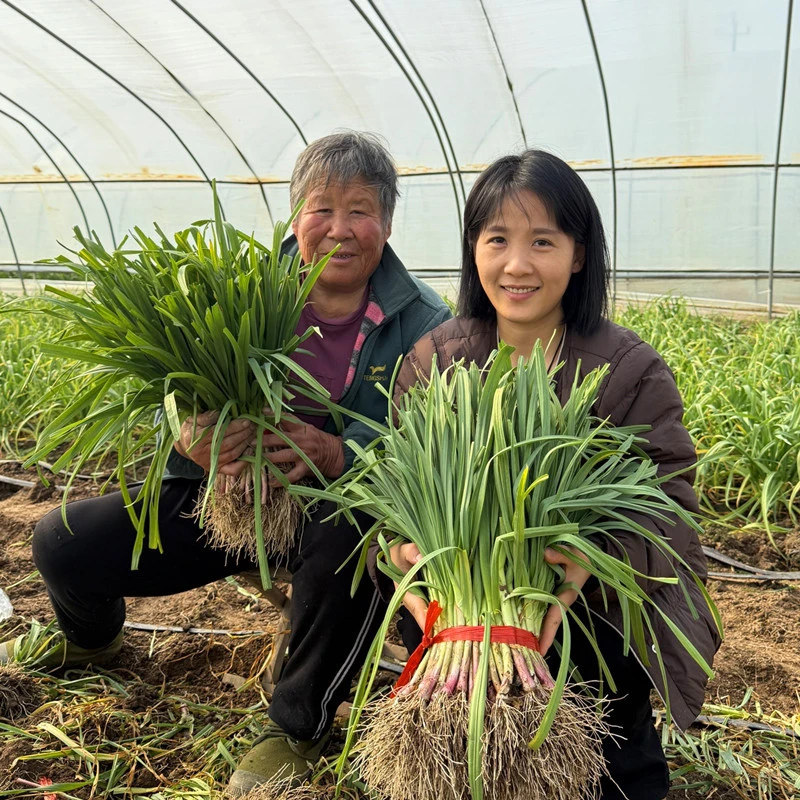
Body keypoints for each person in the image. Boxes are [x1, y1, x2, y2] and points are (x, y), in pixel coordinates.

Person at [0, 131, 451, 795]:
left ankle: (297, 724)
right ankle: (92, 639)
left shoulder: (423, 320)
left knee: (347, 545)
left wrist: (339, 450)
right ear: (295, 215)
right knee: (61, 540)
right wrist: (186, 433)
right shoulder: (235, 285)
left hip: (338, 512)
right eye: (321, 207)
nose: (339, 228)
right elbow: (164, 385)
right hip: (226, 502)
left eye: (360, 210)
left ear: (386, 222)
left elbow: (424, 442)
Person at [379, 149, 721, 800]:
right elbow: (391, 503)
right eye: (497, 239)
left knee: (623, 779)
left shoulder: (629, 370)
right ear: (473, 249)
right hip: (460, 615)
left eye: (543, 241)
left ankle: (605, 740)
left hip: (592, 619)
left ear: (579, 254)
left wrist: (584, 561)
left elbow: (669, 508)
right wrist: (403, 556)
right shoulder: (434, 363)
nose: (517, 265)